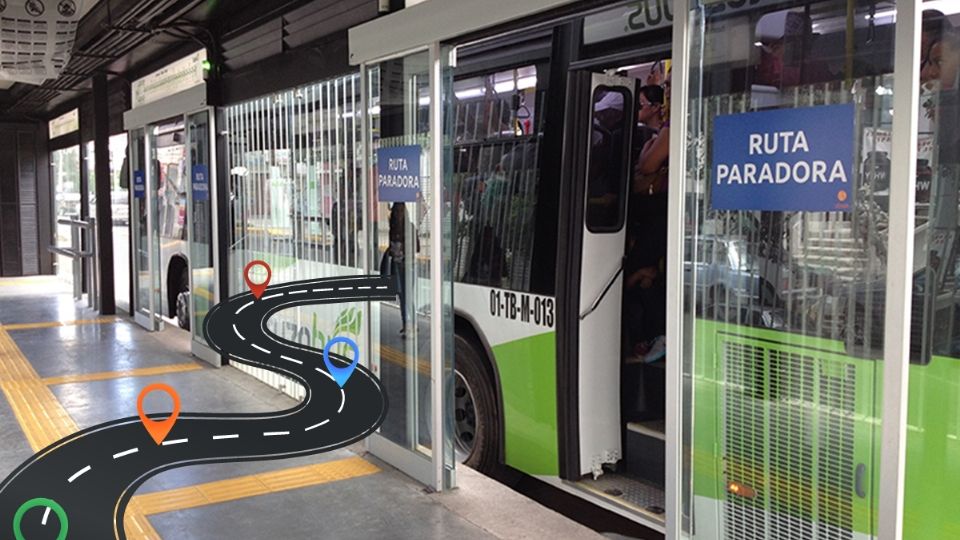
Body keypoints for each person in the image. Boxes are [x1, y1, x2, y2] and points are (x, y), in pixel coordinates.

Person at [388, 202, 411, 336]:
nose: (397, 214)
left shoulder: (407, 228)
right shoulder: (394, 229)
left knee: (405, 295)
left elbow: (415, 247)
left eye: (399, 211)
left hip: (405, 263)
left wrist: (402, 248)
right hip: (398, 264)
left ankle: (409, 323)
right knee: (402, 295)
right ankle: (406, 323)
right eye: (396, 212)